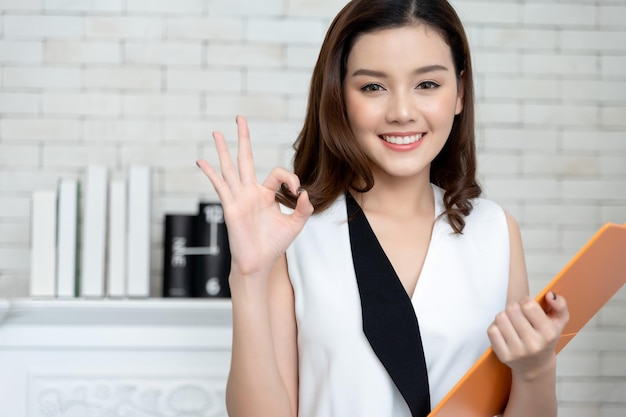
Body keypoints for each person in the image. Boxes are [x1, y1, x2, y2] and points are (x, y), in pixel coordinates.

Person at [196, 0, 570, 416]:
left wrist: (537, 368)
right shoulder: (294, 235)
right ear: (340, 97)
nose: (402, 113)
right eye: (373, 87)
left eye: (427, 84)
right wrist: (247, 276)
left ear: (460, 92)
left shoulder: (495, 231)